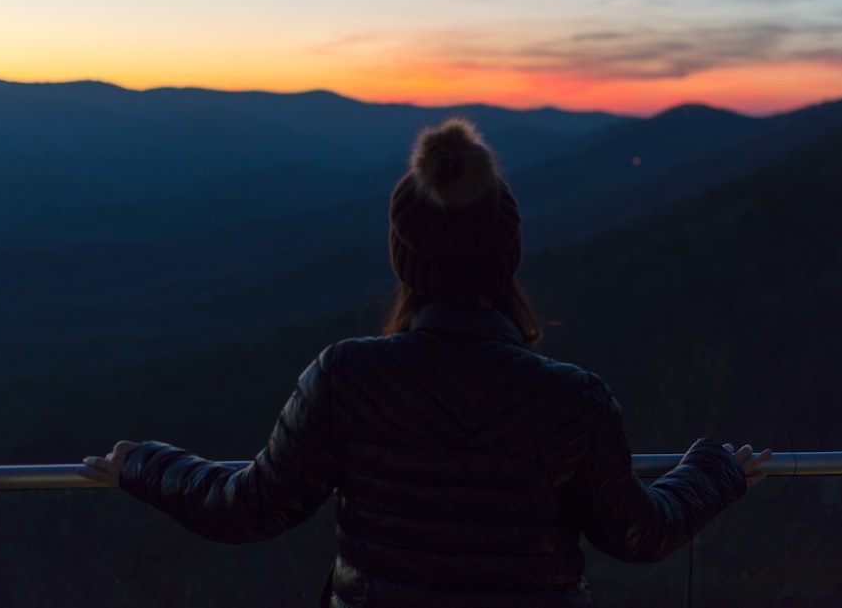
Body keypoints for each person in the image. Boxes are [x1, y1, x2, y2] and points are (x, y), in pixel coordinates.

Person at [80, 117, 771, 607]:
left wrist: (141, 463)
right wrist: (716, 468)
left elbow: (250, 506)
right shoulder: (572, 398)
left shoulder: (347, 375)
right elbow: (637, 532)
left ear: (404, 258)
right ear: (508, 254)